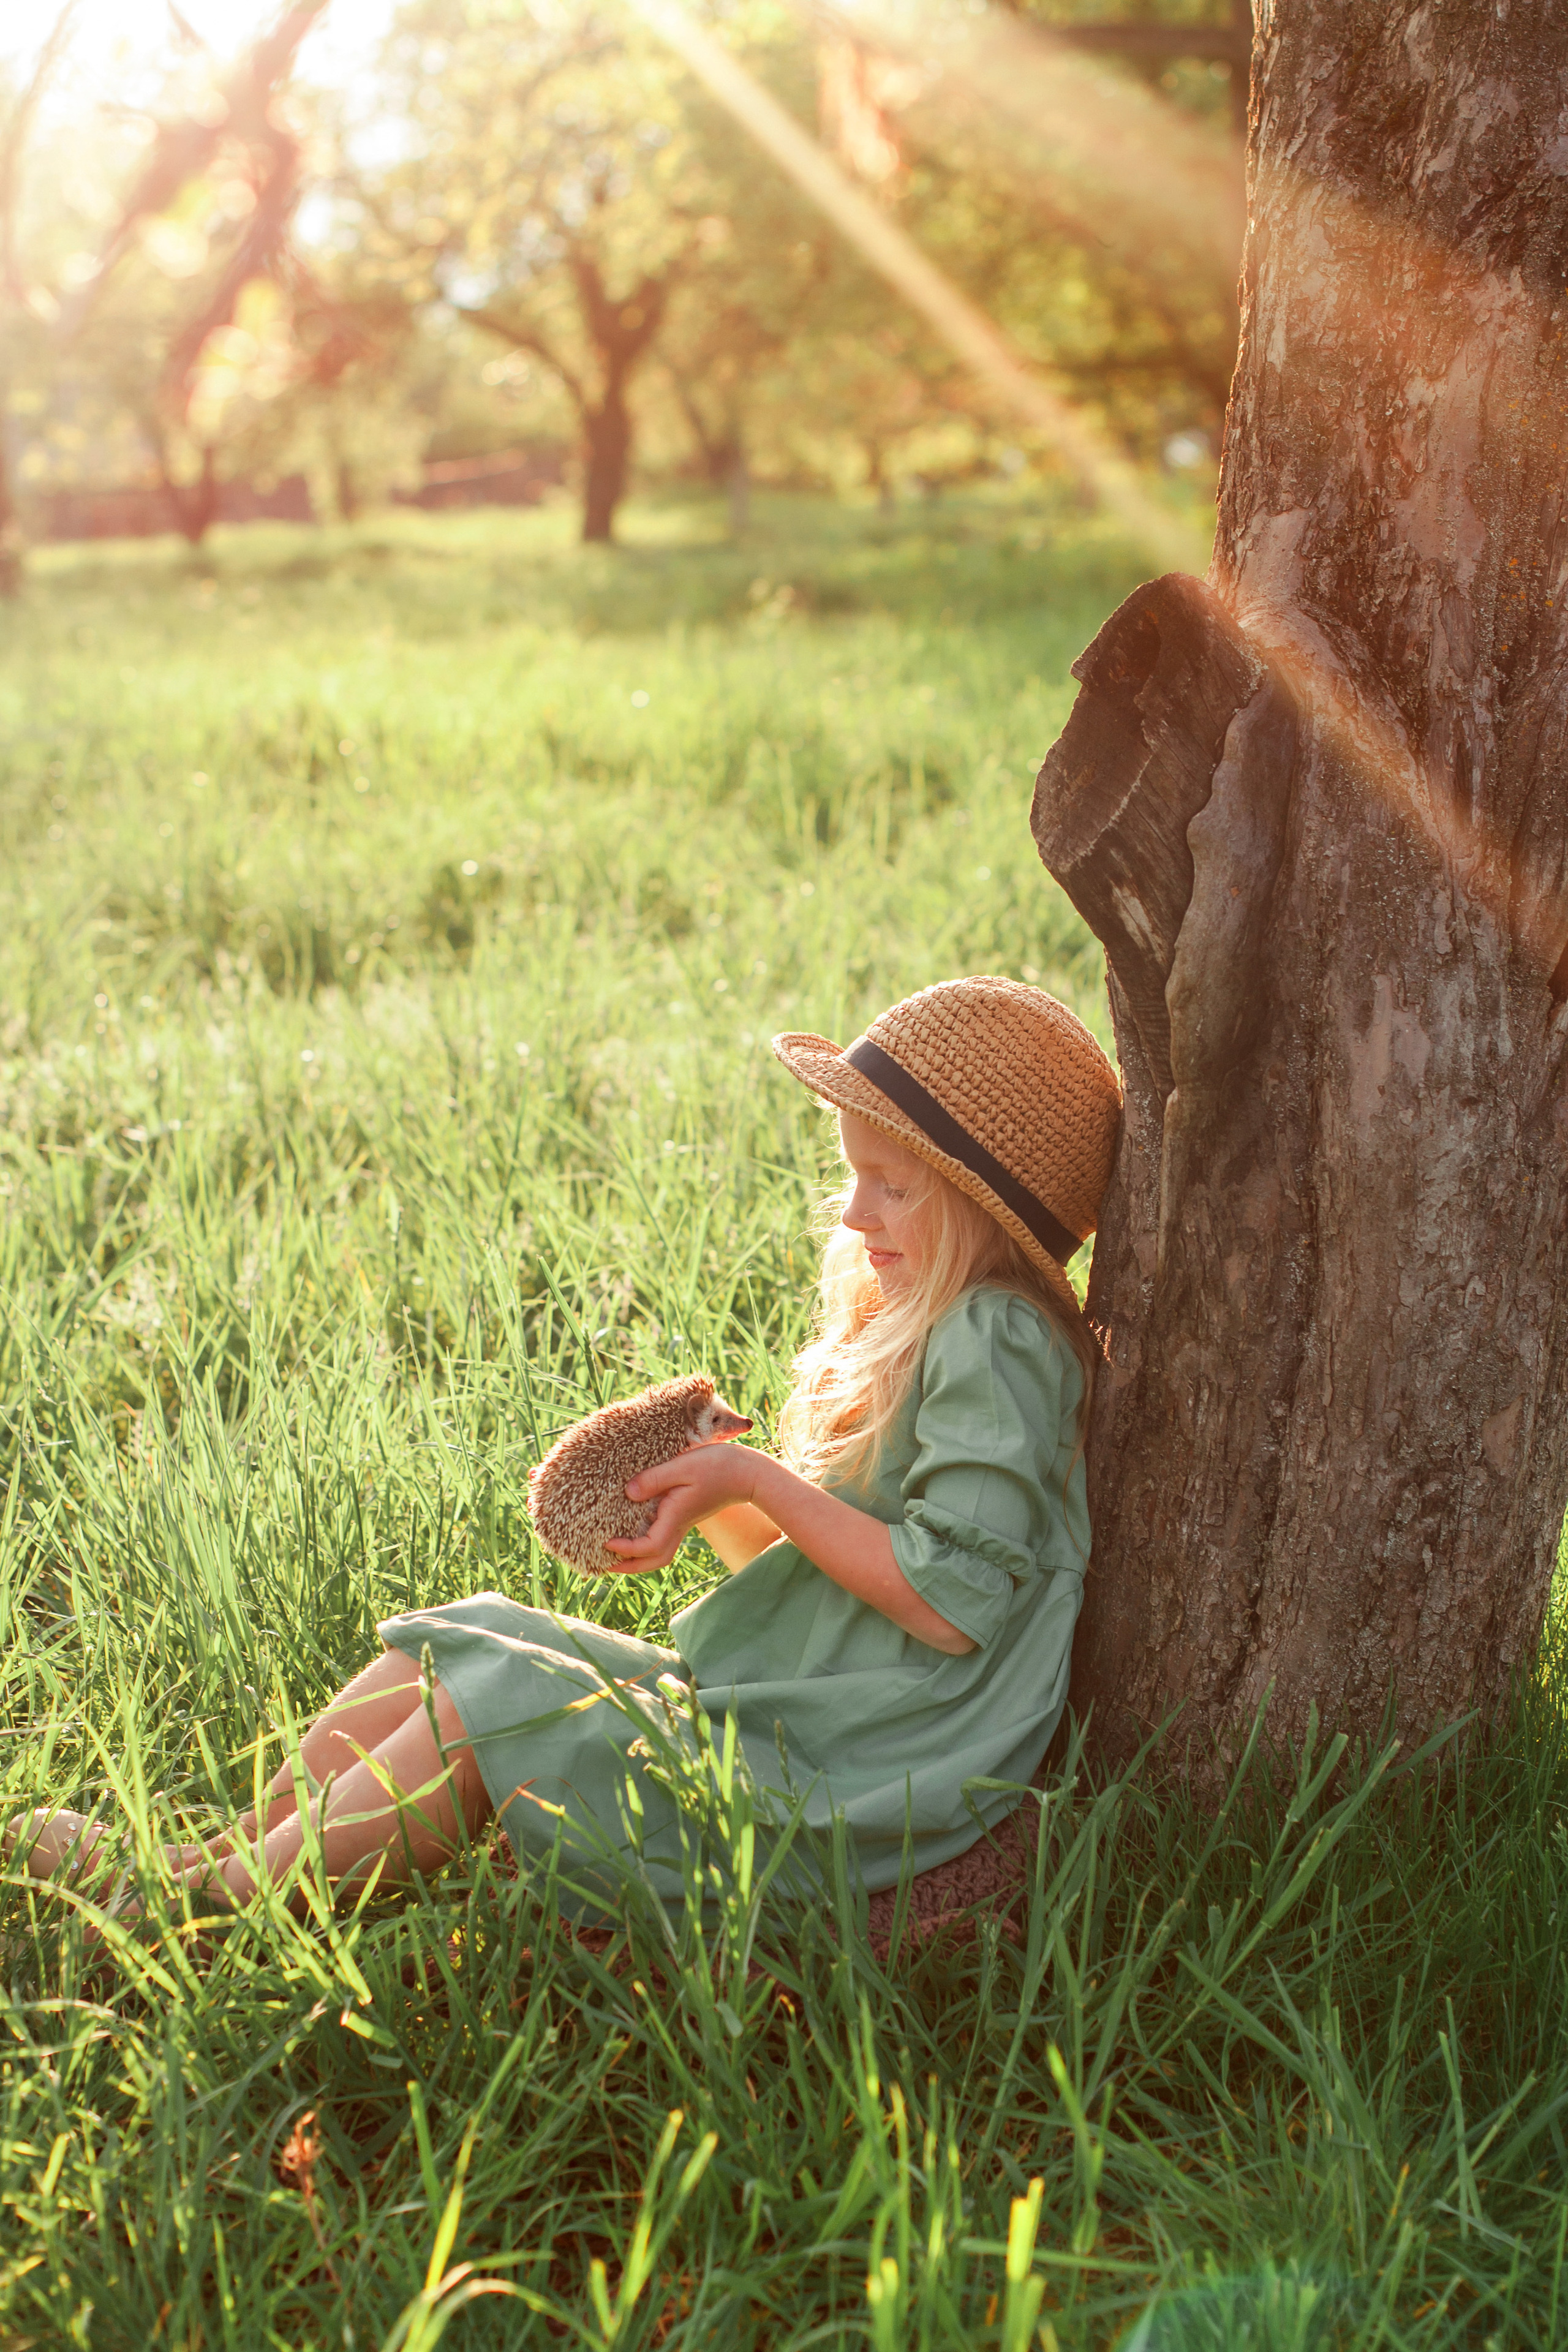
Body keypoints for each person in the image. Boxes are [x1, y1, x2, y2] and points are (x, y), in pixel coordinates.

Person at [12, 976, 1120, 1928]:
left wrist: (756, 1478)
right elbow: (839, 1598)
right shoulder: (944, 1325)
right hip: (834, 1708)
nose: (854, 1215)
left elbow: (951, 1605)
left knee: (500, 1703)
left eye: (894, 1184)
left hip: (877, 1764)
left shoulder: (998, 1335)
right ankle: (215, 1860)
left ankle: (206, 1907)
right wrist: (716, 1500)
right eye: (853, 1175)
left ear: (982, 1203)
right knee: (460, 1641)